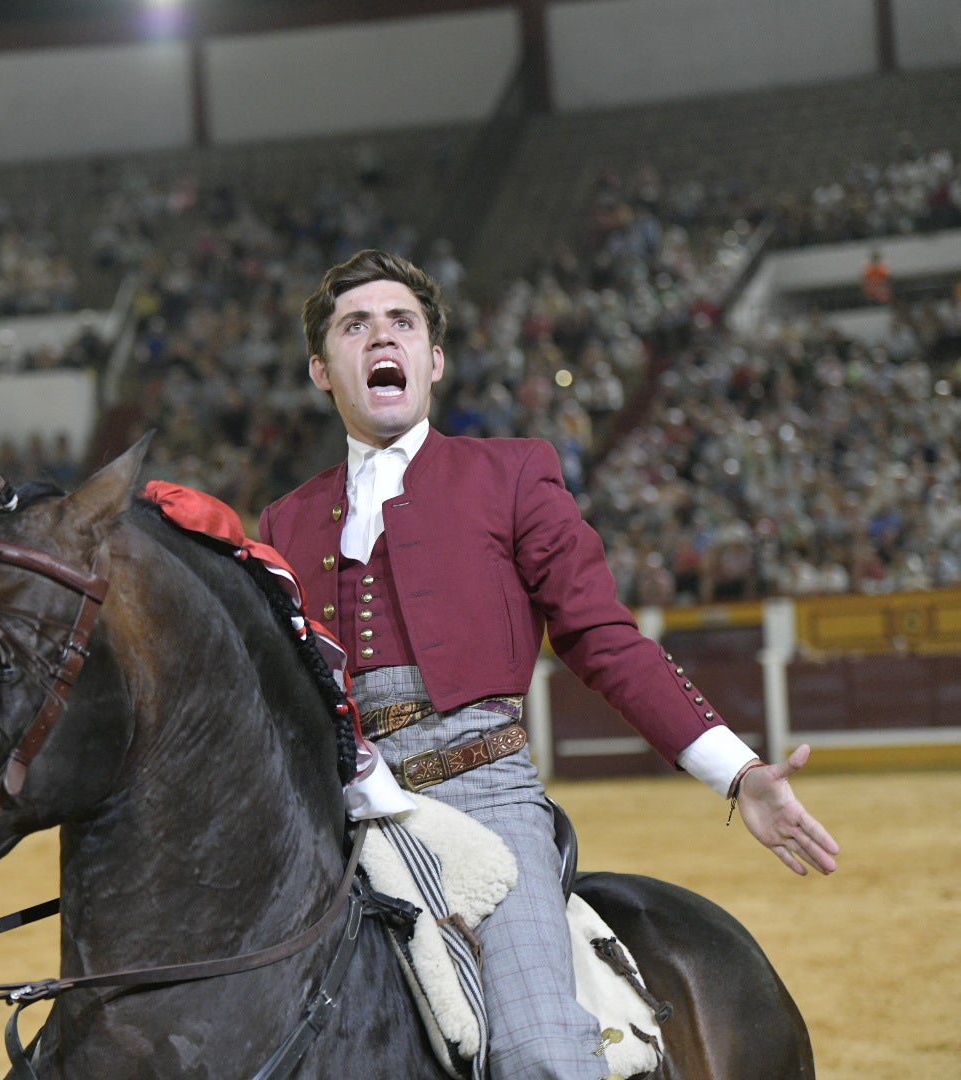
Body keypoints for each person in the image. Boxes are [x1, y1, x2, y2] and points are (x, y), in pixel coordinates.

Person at [257, 249, 839, 1079]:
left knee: (539, 1053)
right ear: (323, 369)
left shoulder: (512, 473)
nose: (380, 336)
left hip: (485, 799)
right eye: (356, 325)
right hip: (336, 817)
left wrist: (739, 774)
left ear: (433, 359)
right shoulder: (284, 521)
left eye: (403, 323)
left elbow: (604, 638)